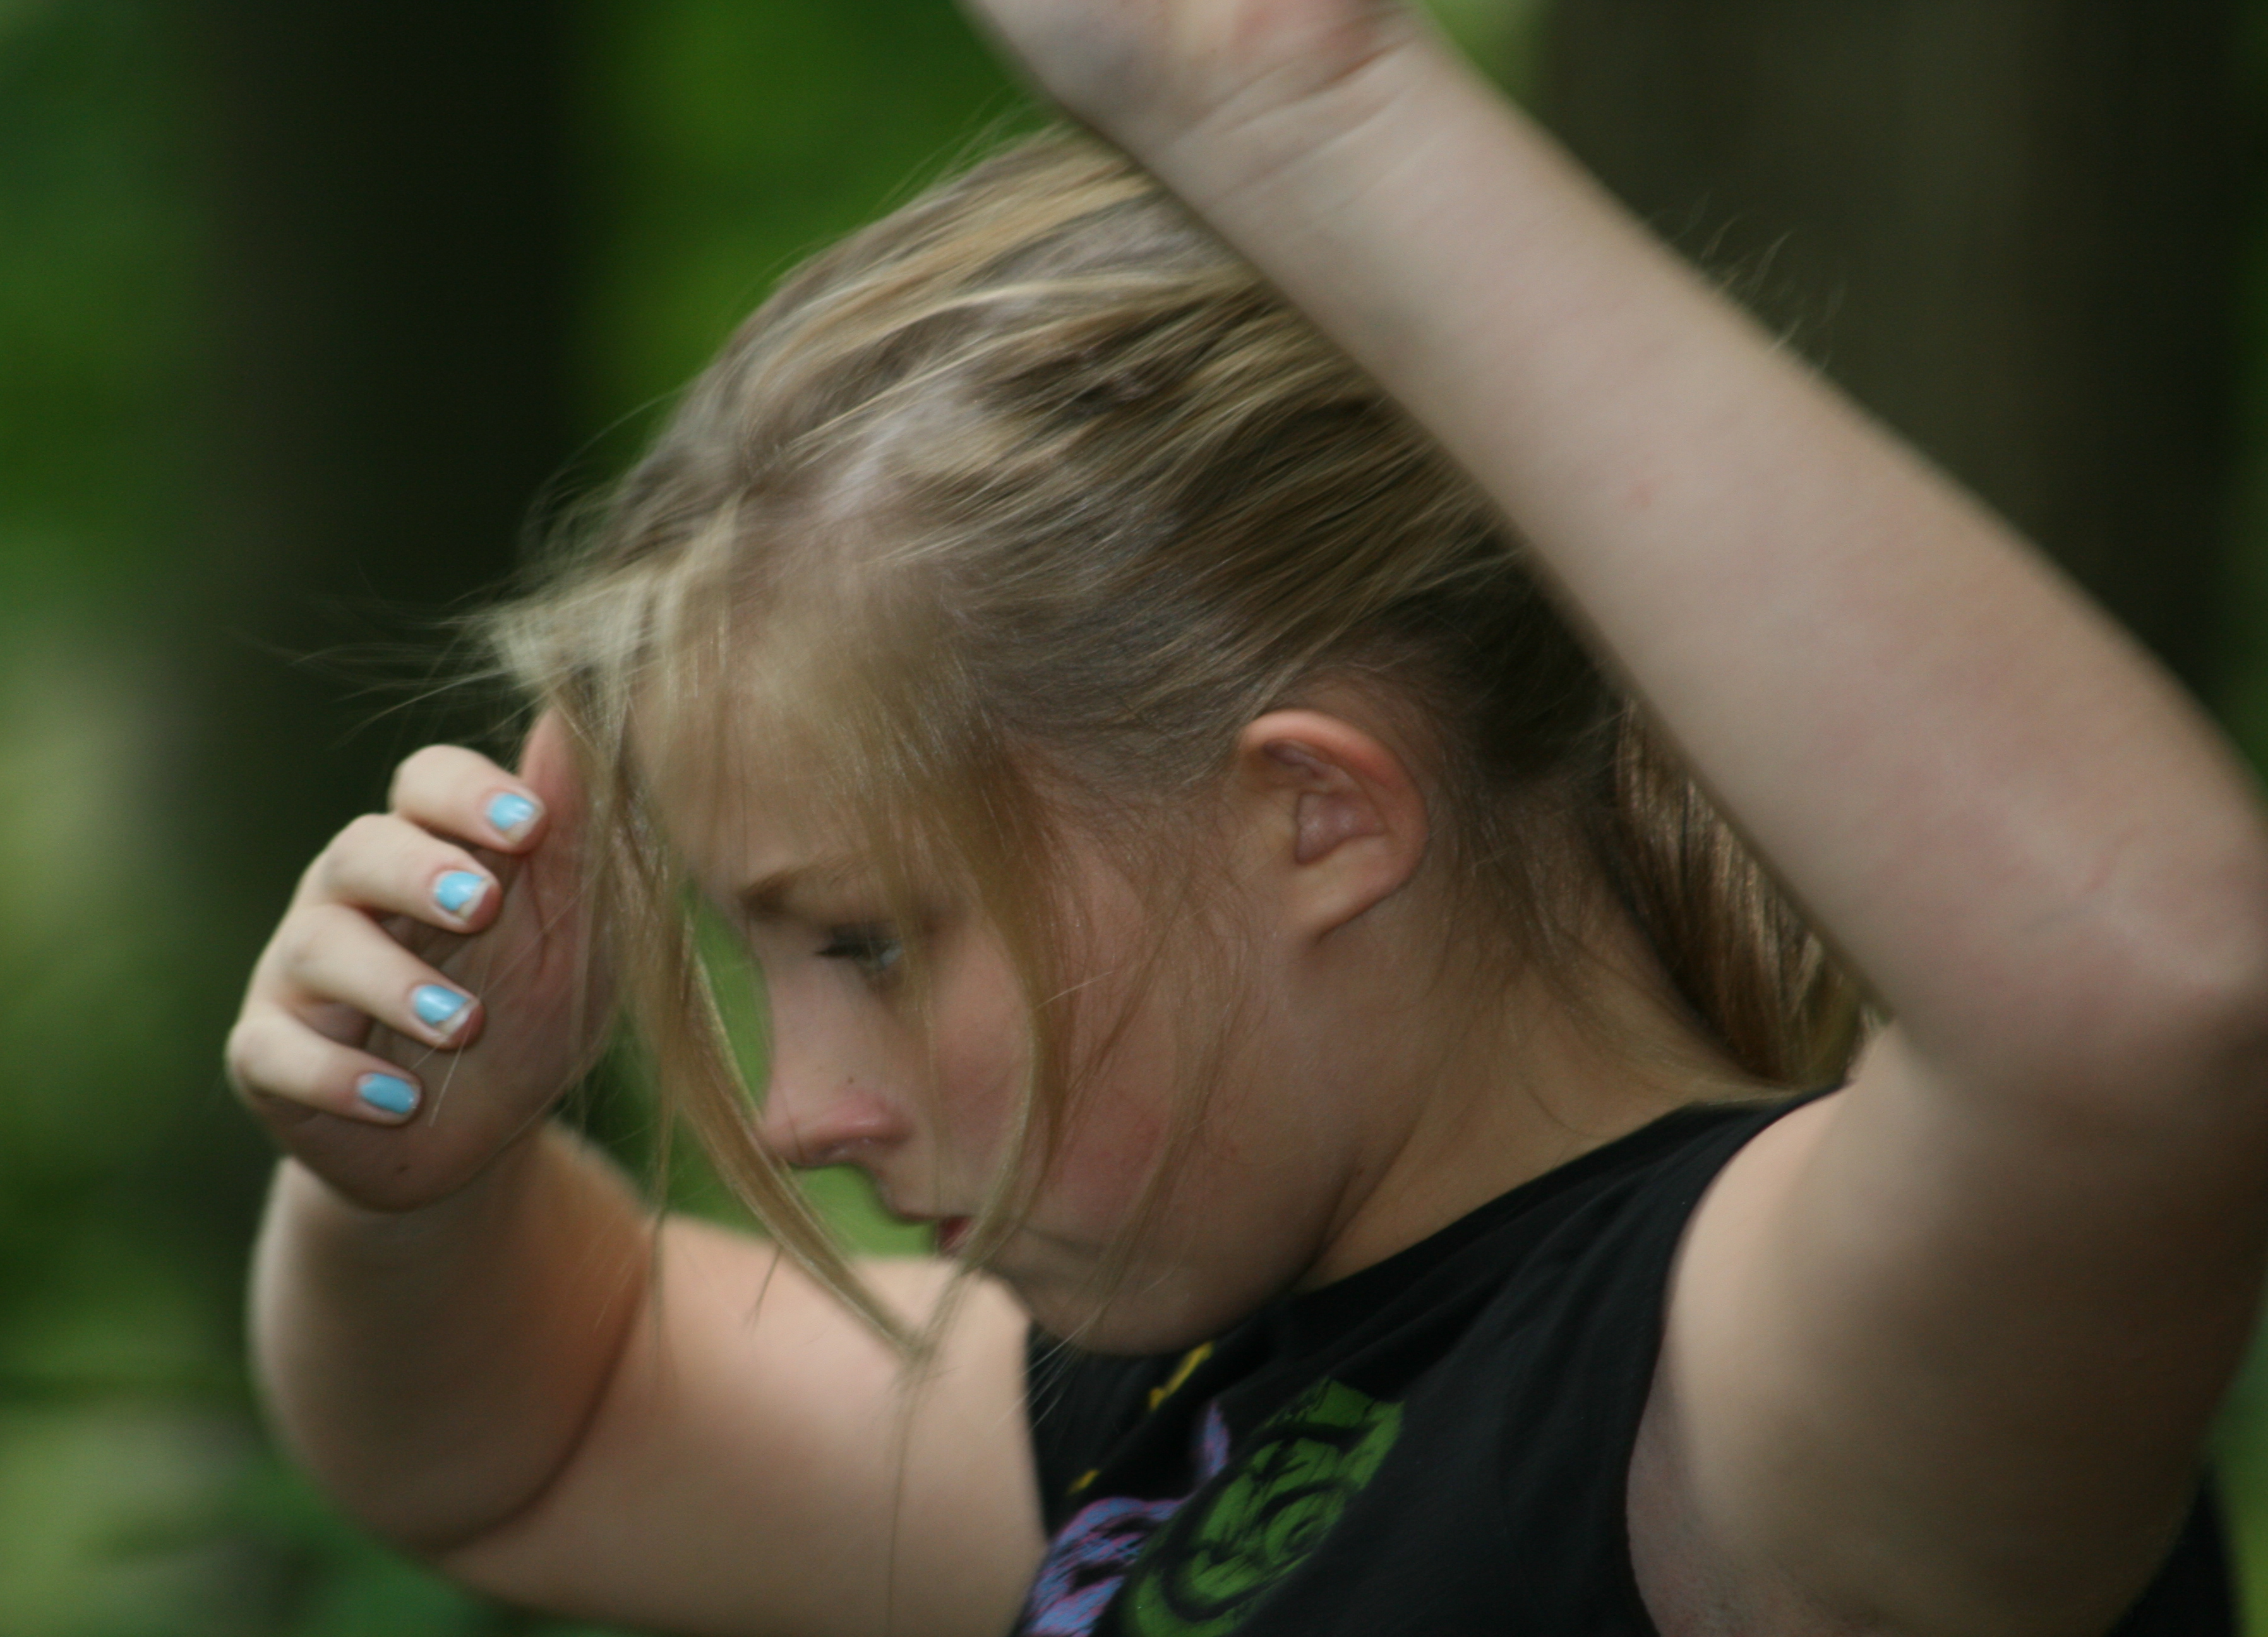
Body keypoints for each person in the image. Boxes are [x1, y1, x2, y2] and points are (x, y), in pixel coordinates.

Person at [224, 3, 2268, 1633]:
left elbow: (2144, 996)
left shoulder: (1721, 1407)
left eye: (866, 939)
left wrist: (1306, 109)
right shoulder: (1178, 1397)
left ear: (1312, 819)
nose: (799, 1110)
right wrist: (408, 1178)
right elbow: (534, 1435)